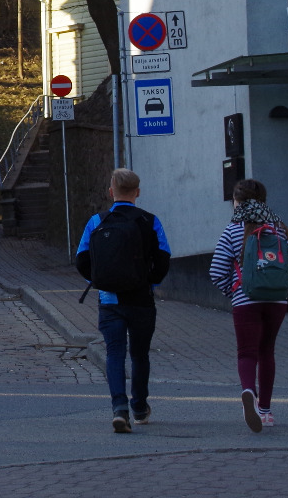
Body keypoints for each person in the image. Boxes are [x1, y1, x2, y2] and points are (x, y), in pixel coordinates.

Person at [75, 168, 171, 433]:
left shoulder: (97, 221)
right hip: (141, 300)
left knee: (114, 354)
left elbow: (81, 258)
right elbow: (164, 257)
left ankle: (119, 409)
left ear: (111, 192)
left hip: (109, 300)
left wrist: (98, 280)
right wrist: (150, 283)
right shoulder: (150, 221)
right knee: (140, 354)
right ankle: (139, 406)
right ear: (137, 192)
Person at [208, 178, 288, 432]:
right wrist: (278, 290)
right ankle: (265, 410)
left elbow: (217, 271)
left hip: (245, 300)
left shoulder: (233, 231)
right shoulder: (281, 229)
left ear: (236, 202)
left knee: (246, 352)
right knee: (267, 351)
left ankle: (248, 392)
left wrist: (235, 291)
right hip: (277, 302)